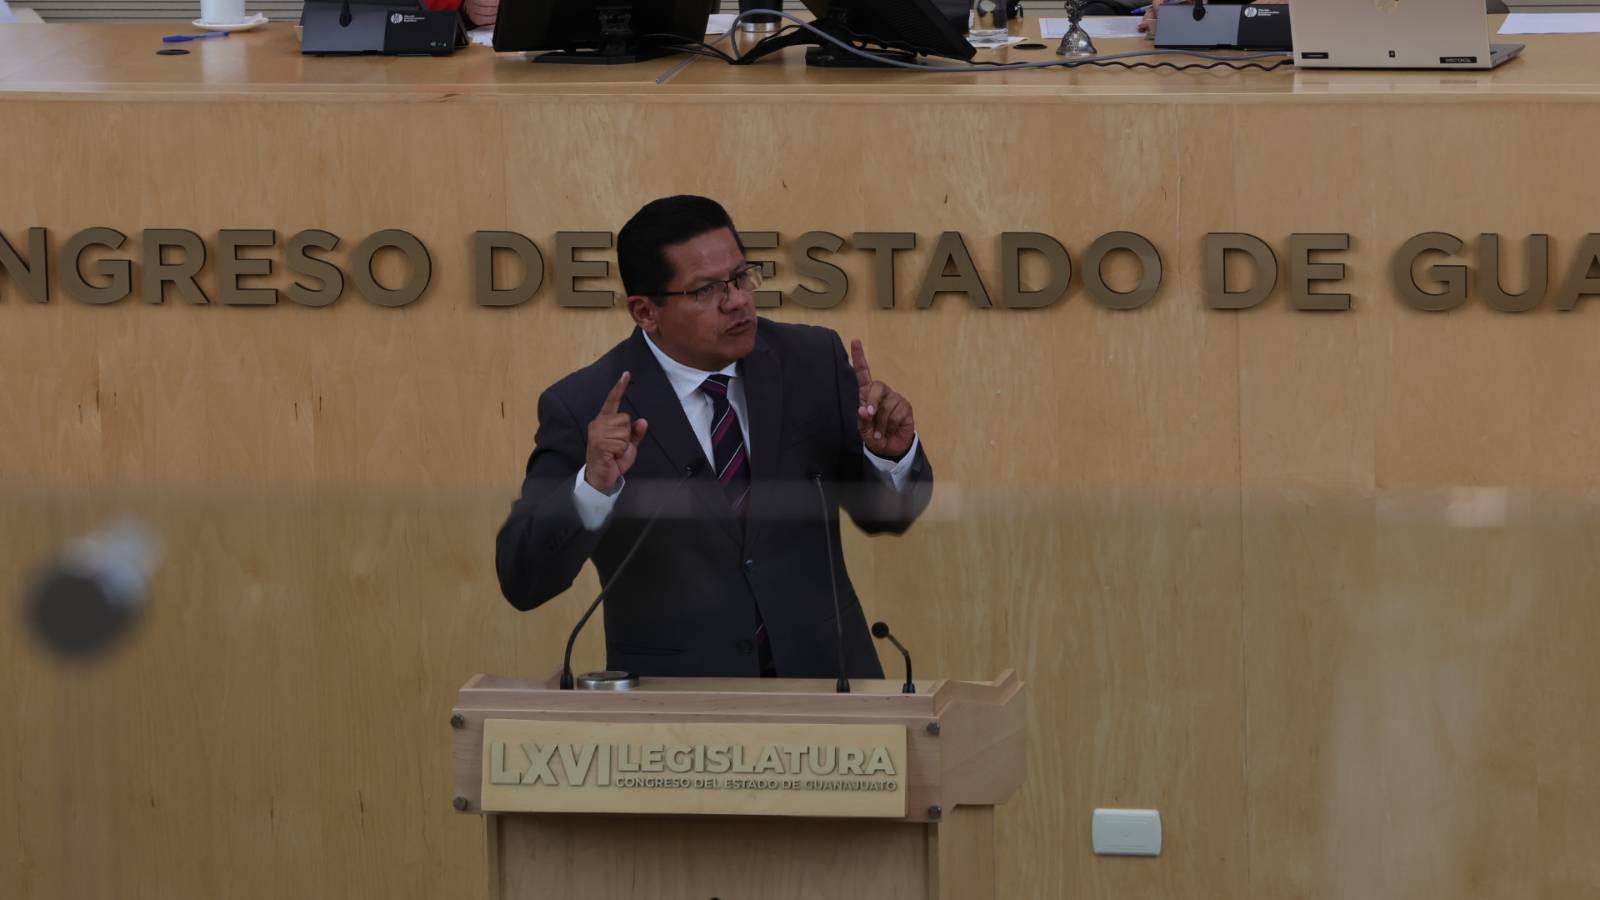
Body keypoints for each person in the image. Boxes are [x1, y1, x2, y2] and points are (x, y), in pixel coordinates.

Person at [495, 195, 934, 679]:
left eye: (741, 277)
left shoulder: (811, 360)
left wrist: (889, 456)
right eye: (706, 290)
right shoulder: (584, 407)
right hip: (677, 704)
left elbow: (888, 515)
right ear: (645, 312)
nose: (738, 300)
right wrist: (592, 488)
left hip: (828, 683)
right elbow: (523, 579)